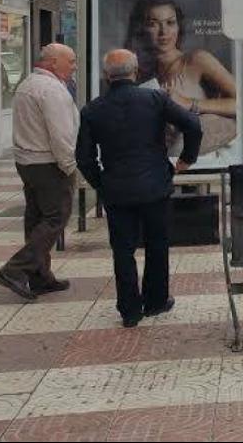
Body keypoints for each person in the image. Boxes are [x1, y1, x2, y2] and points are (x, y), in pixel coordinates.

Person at [76, 50, 202, 328]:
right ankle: (156, 300)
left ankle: (130, 310)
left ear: (107, 75)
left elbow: (83, 158)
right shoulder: (155, 99)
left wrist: (102, 183)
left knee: (122, 250)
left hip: (117, 191)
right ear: (135, 73)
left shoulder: (93, 109)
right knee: (157, 244)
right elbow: (193, 123)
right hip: (155, 185)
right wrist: (186, 160)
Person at [0, 44, 79, 301]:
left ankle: (39, 276)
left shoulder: (27, 83)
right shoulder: (51, 89)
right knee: (55, 218)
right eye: (71, 61)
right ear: (53, 62)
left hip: (28, 161)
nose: (74, 66)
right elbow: (60, 134)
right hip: (48, 163)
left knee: (36, 218)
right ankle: (15, 270)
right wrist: (69, 165)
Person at [124, 0, 236, 156]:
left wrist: (189, 103)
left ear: (179, 27)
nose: (164, 32)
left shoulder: (197, 60)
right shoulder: (141, 75)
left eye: (170, 23)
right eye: (153, 24)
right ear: (141, 29)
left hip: (200, 166)